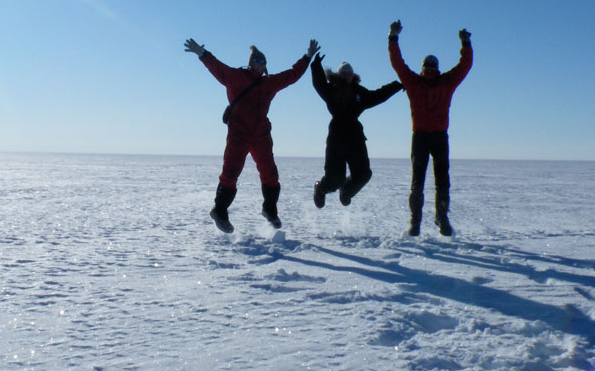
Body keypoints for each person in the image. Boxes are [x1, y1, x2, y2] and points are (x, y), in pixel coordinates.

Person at [185, 37, 320, 233]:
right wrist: (202, 53)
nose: (260, 65)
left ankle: (270, 209)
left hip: (260, 135)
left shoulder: (269, 83)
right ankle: (219, 211)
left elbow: (292, 75)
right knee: (231, 172)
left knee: (270, 174)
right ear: (250, 64)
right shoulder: (235, 77)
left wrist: (307, 57)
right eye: (256, 61)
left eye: (263, 62)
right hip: (239, 132)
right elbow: (217, 67)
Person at [388, 20, 472, 236]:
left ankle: (425, 220)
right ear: (433, 67)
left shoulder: (417, 81)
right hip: (435, 137)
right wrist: (465, 44)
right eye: (430, 65)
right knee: (438, 180)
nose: (430, 68)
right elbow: (465, 66)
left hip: (423, 138)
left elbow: (397, 63)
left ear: (424, 67)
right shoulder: (444, 81)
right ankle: (432, 219)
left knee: (421, 181)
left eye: (429, 65)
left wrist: (394, 37)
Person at [311, 54, 402, 208]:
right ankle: (320, 188)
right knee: (335, 178)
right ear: (339, 75)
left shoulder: (359, 92)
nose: (347, 76)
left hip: (355, 137)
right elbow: (319, 83)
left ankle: (346, 191)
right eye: (344, 74)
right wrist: (316, 65)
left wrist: (396, 86)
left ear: (353, 76)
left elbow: (377, 95)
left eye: (350, 74)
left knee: (363, 174)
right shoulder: (331, 89)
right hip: (337, 138)